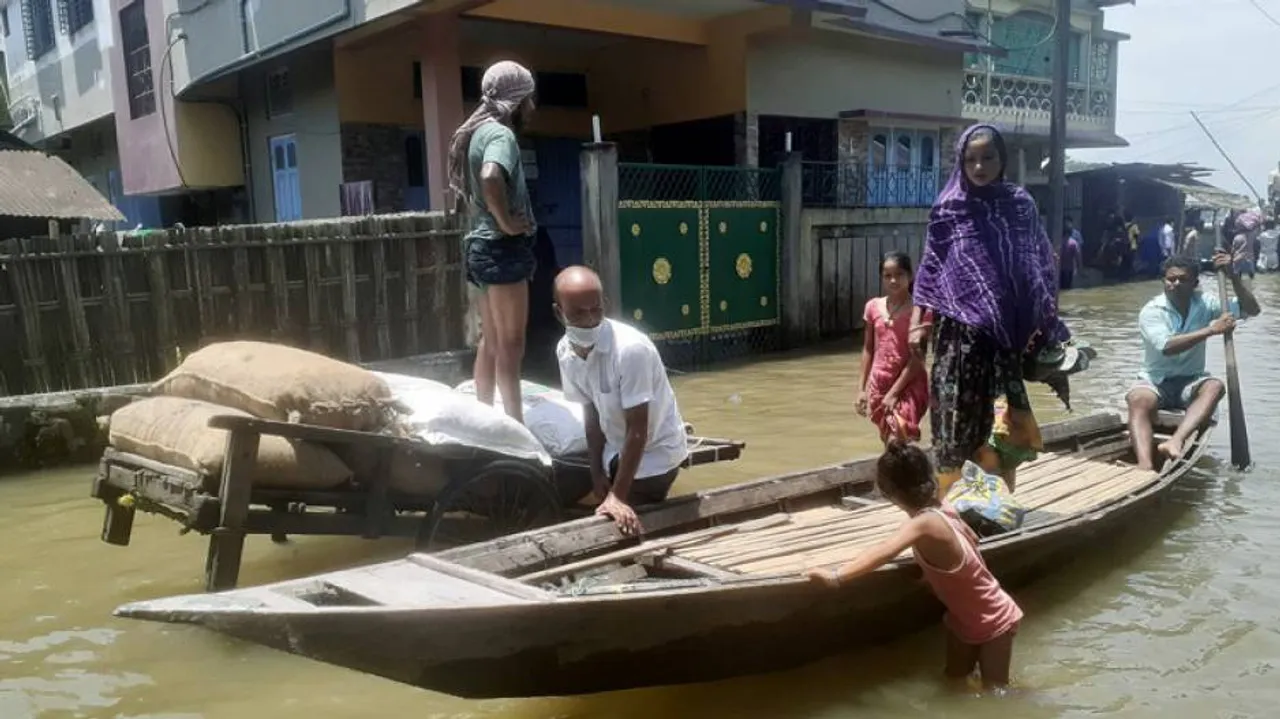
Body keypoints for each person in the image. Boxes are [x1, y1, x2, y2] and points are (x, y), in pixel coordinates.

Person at [910, 124, 1070, 497]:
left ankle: (1000, 507)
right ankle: (951, 509)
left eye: (988, 157)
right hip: (958, 338)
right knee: (953, 422)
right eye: (971, 159)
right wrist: (917, 323)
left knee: (1001, 428)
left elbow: (1036, 263)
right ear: (960, 163)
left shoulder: (1019, 204)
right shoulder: (949, 208)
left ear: (1003, 160)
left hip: (1003, 341)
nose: (979, 166)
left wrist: (1044, 323)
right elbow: (931, 268)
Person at [804, 442, 1023, 690]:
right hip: (963, 618)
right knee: (953, 682)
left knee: (996, 692)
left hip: (994, 618)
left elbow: (886, 549)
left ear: (888, 492)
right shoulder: (943, 508)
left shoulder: (923, 523)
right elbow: (970, 540)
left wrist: (836, 576)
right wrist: (933, 572)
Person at [553, 266, 689, 535]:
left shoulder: (629, 349)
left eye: (596, 310)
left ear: (604, 305)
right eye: (579, 313)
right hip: (614, 449)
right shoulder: (565, 351)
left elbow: (638, 430)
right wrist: (596, 474)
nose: (590, 320)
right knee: (560, 487)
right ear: (559, 313)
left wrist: (618, 496)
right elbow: (590, 415)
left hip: (655, 454)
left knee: (616, 527)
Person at [448, 61, 539, 424]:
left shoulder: (477, 132)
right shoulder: (502, 136)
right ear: (516, 100)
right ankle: (514, 426)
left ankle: (484, 418)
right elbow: (490, 176)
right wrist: (507, 222)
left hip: (479, 248)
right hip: (501, 249)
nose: (533, 107)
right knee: (511, 345)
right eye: (530, 99)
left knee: (491, 340)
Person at [1127, 253, 1261, 470]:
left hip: (1190, 381)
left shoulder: (1205, 303)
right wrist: (1211, 330)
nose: (1176, 284)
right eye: (1171, 279)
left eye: (1182, 279)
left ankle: (1176, 440)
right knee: (1137, 399)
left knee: (1215, 386)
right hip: (1156, 381)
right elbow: (1167, 346)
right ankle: (1144, 465)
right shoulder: (1152, 311)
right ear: (1164, 281)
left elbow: (1252, 309)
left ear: (1195, 283)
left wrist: (1233, 277)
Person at [856, 252, 930, 443]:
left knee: (898, 438)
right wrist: (861, 389)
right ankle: (902, 473)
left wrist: (894, 393)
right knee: (887, 438)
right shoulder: (873, 307)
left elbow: (918, 357)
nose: (893, 280)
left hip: (909, 382)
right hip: (880, 382)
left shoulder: (919, 311)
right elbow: (868, 349)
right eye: (887, 276)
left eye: (899, 274)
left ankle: (906, 472)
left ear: (910, 276)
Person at [1059, 218, 1083, 290]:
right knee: (1067, 288)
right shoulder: (1073, 243)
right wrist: (1080, 270)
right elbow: (1078, 257)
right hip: (1069, 270)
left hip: (1060, 269)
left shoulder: (1058, 242)